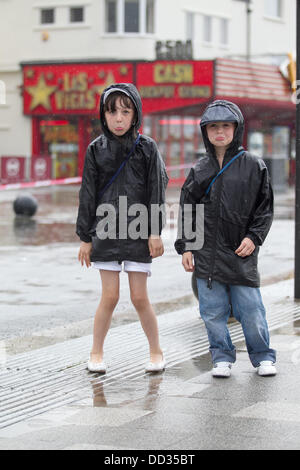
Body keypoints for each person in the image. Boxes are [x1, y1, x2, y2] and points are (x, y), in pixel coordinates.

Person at [175, 99, 276, 378]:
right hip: (207, 254)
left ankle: (263, 356)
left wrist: (254, 238)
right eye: (214, 126)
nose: (220, 131)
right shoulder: (199, 170)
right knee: (211, 311)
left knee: (251, 309)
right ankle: (221, 356)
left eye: (226, 126)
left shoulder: (254, 166)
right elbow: (188, 209)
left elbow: (264, 208)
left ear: (236, 128)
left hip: (241, 251)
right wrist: (186, 246)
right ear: (205, 131)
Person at [76, 83, 168, 373]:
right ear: (103, 115)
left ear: (135, 115)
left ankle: (156, 352)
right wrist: (85, 238)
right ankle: (96, 353)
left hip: (139, 231)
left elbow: (157, 190)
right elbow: (87, 194)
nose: (118, 118)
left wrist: (154, 231)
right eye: (112, 111)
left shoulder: (147, 148)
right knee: (110, 296)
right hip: (105, 231)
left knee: (140, 297)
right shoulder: (95, 150)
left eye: (125, 112)